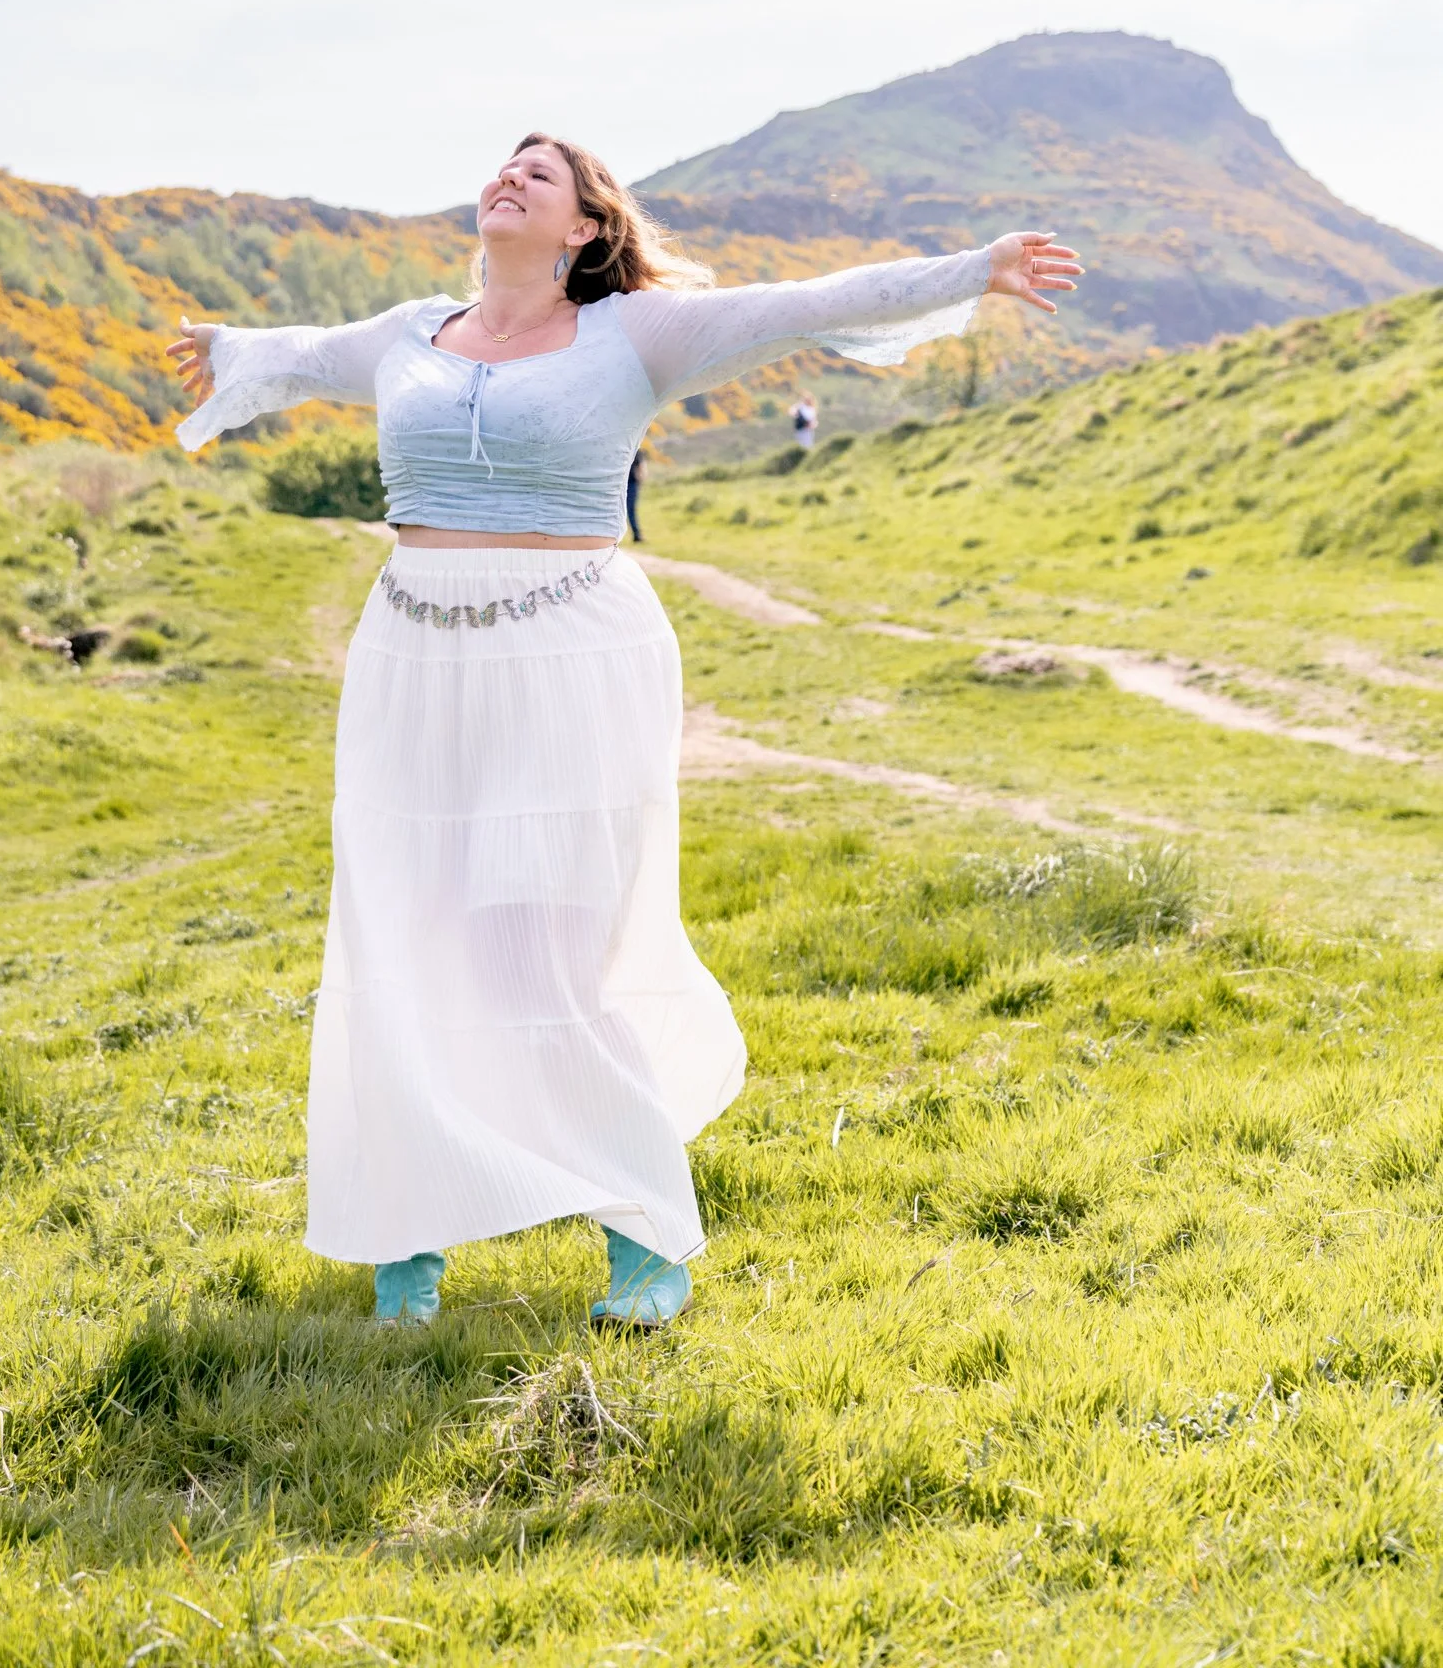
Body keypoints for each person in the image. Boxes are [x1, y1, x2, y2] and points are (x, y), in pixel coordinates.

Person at [169, 135, 1081, 1330]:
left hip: (569, 658)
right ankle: (408, 1242)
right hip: (407, 664)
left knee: (543, 946)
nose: (507, 178)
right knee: (399, 935)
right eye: (502, 166)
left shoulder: (635, 336)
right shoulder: (407, 332)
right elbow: (295, 354)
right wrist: (227, 352)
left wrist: (976, 267)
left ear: (585, 229)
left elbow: (808, 303)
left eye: (537, 176)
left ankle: (643, 1238)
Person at [625, 442, 649, 544]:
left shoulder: (636, 450)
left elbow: (641, 467)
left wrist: (640, 481)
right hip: (622, 484)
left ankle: (636, 535)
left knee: (631, 510)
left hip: (631, 483)